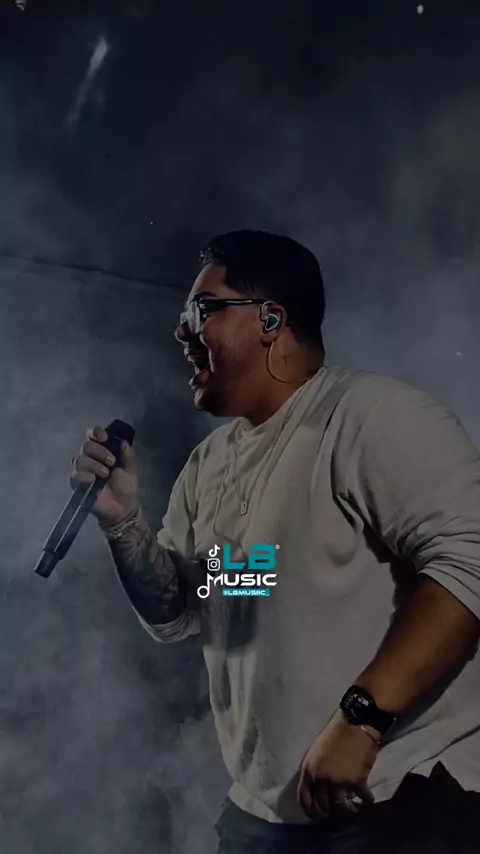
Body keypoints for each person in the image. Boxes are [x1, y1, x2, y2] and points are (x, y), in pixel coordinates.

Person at [70, 230, 480, 853]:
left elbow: (468, 561)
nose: (181, 330)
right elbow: (182, 608)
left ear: (270, 320)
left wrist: (362, 719)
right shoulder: (207, 466)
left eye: (203, 310)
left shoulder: (370, 414)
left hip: (399, 797)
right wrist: (122, 521)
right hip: (267, 815)